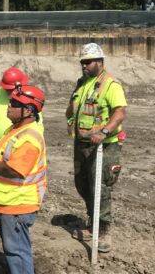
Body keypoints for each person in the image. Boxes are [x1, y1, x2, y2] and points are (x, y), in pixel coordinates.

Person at [0, 85, 47, 274]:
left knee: (17, 251)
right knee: (13, 250)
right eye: (10, 102)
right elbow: (7, 155)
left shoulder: (30, 138)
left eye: (15, 104)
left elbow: (15, 170)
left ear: (28, 111)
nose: (8, 106)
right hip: (8, 201)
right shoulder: (16, 129)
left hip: (18, 203)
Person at [66, 43, 127, 253]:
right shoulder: (82, 83)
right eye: (82, 62)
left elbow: (120, 112)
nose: (84, 65)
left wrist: (104, 132)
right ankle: (93, 222)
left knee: (100, 187)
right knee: (83, 184)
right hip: (82, 143)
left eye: (88, 61)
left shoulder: (110, 85)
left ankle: (104, 230)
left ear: (100, 62)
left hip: (103, 146)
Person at [0, 67, 35, 225]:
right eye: (8, 89)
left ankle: (15, 209)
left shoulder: (28, 98)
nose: (11, 93)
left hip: (17, 144)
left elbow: (35, 123)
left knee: (13, 174)